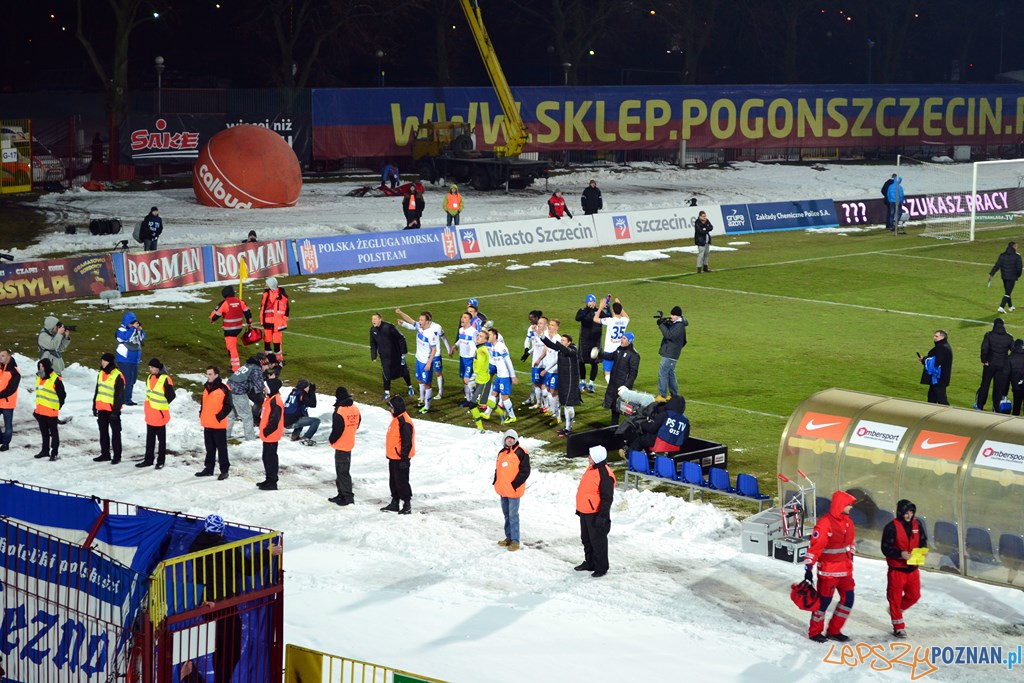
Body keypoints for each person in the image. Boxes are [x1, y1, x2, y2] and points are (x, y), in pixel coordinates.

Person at [187, 514, 282, 683]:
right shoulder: (226, 550)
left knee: (217, 645)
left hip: (206, 603)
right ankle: (222, 679)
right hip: (225, 603)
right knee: (231, 646)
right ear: (221, 532)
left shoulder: (194, 547)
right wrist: (268, 553)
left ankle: (216, 677)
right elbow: (248, 568)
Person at [803, 489, 857, 643]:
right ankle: (815, 632)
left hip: (845, 570)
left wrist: (851, 557)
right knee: (823, 602)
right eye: (849, 504)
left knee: (848, 600)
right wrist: (808, 568)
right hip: (829, 571)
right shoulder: (824, 523)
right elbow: (815, 547)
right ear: (841, 505)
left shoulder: (848, 521)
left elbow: (851, 542)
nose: (851, 507)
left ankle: (834, 630)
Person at [881, 499, 927, 637]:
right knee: (894, 598)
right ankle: (898, 627)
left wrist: (923, 550)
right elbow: (885, 549)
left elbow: (923, 540)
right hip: (897, 570)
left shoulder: (917, 524)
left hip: (913, 569)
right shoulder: (891, 527)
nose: (909, 515)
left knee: (914, 596)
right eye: (906, 512)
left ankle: (897, 610)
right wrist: (900, 554)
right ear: (900, 512)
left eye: (911, 512)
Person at [575, 445, 615, 578]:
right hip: (585, 511)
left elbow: (607, 498)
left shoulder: (605, 474)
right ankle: (590, 562)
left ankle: (601, 567)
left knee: (598, 542)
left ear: (597, 457)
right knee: (586, 539)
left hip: (596, 514)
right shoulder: (591, 469)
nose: (588, 458)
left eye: (590, 456)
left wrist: (602, 516)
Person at [472, 327, 519, 427]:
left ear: (495, 336)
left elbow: (508, 361)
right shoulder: (492, 347)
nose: (488, 336)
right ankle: (487, 413)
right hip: (500, 374)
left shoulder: (500, 346)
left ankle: (512, 416)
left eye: (490, 335)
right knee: (494, 393)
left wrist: (512, 376)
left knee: (504, 397)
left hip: (505, 375)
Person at [396, 309, 440, 413]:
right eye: (419, 319)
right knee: (419, 380)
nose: (419, 321)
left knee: (427, 384)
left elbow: (434, 349)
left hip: (425, 362)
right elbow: (410, 320)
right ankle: (421, 399)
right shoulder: (420, 328)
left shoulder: (431, 334)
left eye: (421, 320)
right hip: (419, 360)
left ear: (427, 322)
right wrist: (401, 313)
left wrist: (429, 363)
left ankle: (427, 406)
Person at [494, 429, 531, 552]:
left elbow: (525, 471)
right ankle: (508, 538)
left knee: (513, 516)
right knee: (506, 515)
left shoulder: (521, 452)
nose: (509, 440)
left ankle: (515, 541)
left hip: (514, 491)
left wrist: (515, 484)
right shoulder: (502, 452)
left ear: (515, 439)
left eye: (512, 438)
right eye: (507, 438)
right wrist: (496, 481)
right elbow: (498, 469)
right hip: (503, 490)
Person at [594, 331, 640, 425]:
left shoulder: (634, 355)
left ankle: (631, 426)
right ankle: (614, 426)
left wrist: (626, 386)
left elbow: (633, 373)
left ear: (629, 341)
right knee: (614, 406)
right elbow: (610, 356)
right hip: (614, 383)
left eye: (624, 338)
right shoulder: (619, 349)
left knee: (625, 408)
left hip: (622, 385)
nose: (621, 340)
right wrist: (599, 353)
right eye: (621, 337)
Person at [540, 331, 582, 436]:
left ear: (569, 342)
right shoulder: (562, 351)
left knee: (569, 405)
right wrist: (542, 336)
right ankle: (567, 427)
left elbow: (564, 349)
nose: (561, 342)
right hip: (563, 380)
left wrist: (558, 344)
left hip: (571, 382)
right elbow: (552, 346)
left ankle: (568, 428)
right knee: (565, 404)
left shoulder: (572, 350)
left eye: (563, 340)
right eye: (561, 340)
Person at [197, 366, 233, 480]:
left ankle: (224, 470)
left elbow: (228, 406)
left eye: (210, 374)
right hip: (207, 423)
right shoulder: (206, 387)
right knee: (209, 448)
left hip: (218, 425)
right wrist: (201, 413)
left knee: (222, 449)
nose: (208, 376)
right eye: (207, 374)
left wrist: (219, 417)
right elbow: (203, 404)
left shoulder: (224, 388)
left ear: (216, 375)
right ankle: (209, 468)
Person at [381, 395, 414, 515]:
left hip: (401, 458)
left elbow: (407, 442)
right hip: (394, 457)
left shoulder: (404, 422)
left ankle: (407, 504)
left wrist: (404, 460)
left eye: (391, 407)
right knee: (394, 481)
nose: (390, 410)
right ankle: (395, 502)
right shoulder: (397, 419)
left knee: (402, 482)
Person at [328, 386, 361, 506]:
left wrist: (331, 440)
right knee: (343, 470)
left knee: (342, 472)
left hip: (341, 444)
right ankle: (341, 493)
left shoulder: (340, 410)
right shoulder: (355, 408)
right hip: (350, 442)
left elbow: (337, 430)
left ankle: (347, 497)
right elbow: (357, 424)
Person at [140, 358, 175, 469]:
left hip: (160, 415)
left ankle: (161, 461)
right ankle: (148, 460)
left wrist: (162, 405)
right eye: (149, 368)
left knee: (161, 440)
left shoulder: (166, 379)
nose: (150, 370)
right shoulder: (150, 377)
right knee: (150, 439)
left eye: (152, 367)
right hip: (150, 413)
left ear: (158, 368)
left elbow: (171, 395)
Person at [370, 312, 413, 402]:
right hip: (384, 357)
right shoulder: (372, 330)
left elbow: (401, 338)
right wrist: (374, 356)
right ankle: (387, 392)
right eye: (372, 319)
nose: (373, 321)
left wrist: (403, 352)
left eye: (375, 319)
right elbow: (373, 344)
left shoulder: (389, 327)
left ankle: (410, 386)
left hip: (396, 355)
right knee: (386, 374)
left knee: (403, 371)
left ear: (380, 319)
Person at [91, 352, 125, 464]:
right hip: (101, 408)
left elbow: (119, 395)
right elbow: (98, 390)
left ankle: (117, 456)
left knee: (115, 434)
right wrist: (94, 405)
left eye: (105, 361)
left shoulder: (117, 375)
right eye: (102, 360)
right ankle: (105, 454)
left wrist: (115, 411)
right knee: (103, 433)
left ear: (110, 362)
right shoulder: (101, 373)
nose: (102, 362)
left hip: (112, 410)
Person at [210, 285, 252, 372]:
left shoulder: (224, 303)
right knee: (232, 346)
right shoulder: (240, 301)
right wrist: (249, 322)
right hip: (238, 328)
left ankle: (235, 368)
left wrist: (212, 320)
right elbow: (247, 312)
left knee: (232, 348)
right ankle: (234, 365)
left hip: (229, 329)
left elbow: (215, 315)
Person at [975, 317, 1013, 411]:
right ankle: (996, 407)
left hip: (989, 364)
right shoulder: (1009, 337)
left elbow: (984, 349)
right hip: (1002, 366)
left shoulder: (989, 335)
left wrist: (984, 360)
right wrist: (1006, 361)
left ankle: (980, 405)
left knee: (985, 385)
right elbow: (1014, 350)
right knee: (998, 387)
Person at [33, 358, 65, 461]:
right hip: (41, 411)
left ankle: (54, 452)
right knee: (44, 433)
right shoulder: (39, 377)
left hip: (51, 411)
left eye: (42, 366)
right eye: (39, 366)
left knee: (54, 433)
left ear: (47, 366)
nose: (40, 368)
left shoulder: (55, 378)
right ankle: (45, 450)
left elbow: (62, 395)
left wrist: (57, 406)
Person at [257, 377, 284, 491]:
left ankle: (272, 482)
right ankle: (269, 479)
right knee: (266, 458)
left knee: (270, 459)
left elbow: (274, 420)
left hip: (271, 435)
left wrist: (266, 431)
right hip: (268, 435)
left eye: (266, 387)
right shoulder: (270, 398)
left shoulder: (275, 401)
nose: (264, 389)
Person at [593, 297, 629, 383]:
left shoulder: (609, 321)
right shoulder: (625, 320)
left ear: (612, 310)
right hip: (619, 350)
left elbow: (595, 319)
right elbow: (626, 316)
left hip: (609, 351)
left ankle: (613, 388)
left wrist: (601, 307)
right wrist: (620, 305)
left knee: (607, 373)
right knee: (618, 371)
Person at [656, 306, 688, 399]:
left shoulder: (679, 326)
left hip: (670, 353)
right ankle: (674, 395)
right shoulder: (678, 324)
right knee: (670, 373)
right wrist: (664, 322)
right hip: (672, 353)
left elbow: (669, 335)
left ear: (678, 316)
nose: (671, 316)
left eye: (673, 315)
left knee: (663, 372)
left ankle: (662, 395)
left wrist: (661, 325)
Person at [115, 311, 145, 405]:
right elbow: (125, 338)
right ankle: (125, 399)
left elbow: (142, 339)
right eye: (131, 323)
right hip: (124, 358)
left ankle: (127, 397)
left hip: (134, 359)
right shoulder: (121, 330)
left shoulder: (135, 330)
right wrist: (133, 328)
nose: (133, 324)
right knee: (127, 379)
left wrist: (140, 330)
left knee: (133, 379)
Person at [575, 294, 604, 393]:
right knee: (581, 361)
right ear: (587, 302)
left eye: (593, 302)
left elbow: (609, 317)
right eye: (590, 302)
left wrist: (606, 308)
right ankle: (582, 381)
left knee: (594, 362)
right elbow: (578, 318)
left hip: (595, 340)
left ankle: (591, 384)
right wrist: (587, 309)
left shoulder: (599, 312)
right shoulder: (582, 311)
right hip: (584, 340)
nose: (592, 303)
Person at [259, 277, 290, 364]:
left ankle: (278, 360)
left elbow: (286, 311)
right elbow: (262, 308)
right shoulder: (265, 294)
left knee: (277, 343)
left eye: (267, 284)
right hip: (267, 322)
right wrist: (262, 320)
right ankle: (269, 359)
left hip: (277, 323)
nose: (265, 285)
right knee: (267, 342)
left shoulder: (283, 297)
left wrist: (283, 320)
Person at [919, 330, 953, 405]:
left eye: (936, 336)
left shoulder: (942, 348)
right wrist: (924, 359)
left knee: (941, 399)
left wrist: (924, 360)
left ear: (942, 337)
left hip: (938, 379)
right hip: (937, 378)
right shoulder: (942, 346)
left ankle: (948, 414)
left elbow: (935, 362)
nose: (934, 337)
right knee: (931, 397)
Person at [988, 241, 1022, 314]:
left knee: (1008, 291)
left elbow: (997, 265)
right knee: (1007, 293)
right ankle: (1001, 307)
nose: (1017, 247)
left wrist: (991, 274)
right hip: (1012, 277)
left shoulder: (1002, 255)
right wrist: (1017, 275)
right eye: (1016, 246)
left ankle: (1010, 307)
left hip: (1004, 276)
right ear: (1013, 247)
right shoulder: (1017, 256)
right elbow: (1019, 268)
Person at [453, 312, 479, 407]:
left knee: (467, 380)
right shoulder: (461, 330)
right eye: (462, 317)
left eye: (465, 317)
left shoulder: (473, 331)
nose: (462, 319)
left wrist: (473, 357)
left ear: (469, 320)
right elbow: (461, 340)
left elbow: (476, 345)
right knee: (464, 380)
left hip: (469, 359)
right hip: (462, 359)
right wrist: (455, 346)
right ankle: (468, 400)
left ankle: (474, 400)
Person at [284, 379, 319, 443]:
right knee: (316, 421)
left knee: (302, 415)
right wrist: (312, 392)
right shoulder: (301, 395)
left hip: (285, 420)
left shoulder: (294, 392)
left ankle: (295, 435)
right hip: (291, 422)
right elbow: (313, 404)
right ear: (305, 387)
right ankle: (306, 438)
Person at [0, 349, 21, 452]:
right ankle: (1, 439)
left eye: (3, 356)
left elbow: (11, 389)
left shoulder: (15, 372)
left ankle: (6, 444)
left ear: (9, 357)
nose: (1, 358)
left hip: (8, 403)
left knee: (8, 425)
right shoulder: (0, 368)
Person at [1010, 339, 1024, 416]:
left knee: (1016, 406)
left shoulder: (1010, 358)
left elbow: (1006, 376)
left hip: (1016, 386)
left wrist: (1004, 393)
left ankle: (1014, 425)